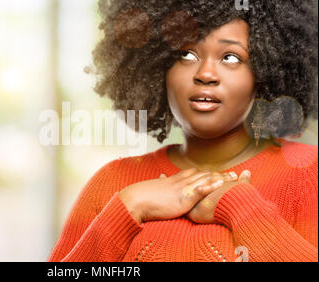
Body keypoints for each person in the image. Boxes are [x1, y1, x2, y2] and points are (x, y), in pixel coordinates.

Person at [48, 0, 318, 262]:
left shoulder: (308, 174)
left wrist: (240, 205)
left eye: (231, 57)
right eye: (186, 54)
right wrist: (131, 205)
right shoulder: (112, 183)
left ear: (265, 72)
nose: (206, 73)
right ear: (157, 67)